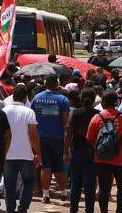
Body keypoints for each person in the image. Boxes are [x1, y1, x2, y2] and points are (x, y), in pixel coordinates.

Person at [86, 90, 122, 213]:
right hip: (121, 160)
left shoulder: (96, 118)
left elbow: (89, 138)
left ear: (103, 103)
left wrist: (98, 149)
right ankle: (119, 211)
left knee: (104, 188)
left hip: (101, 160)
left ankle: (104, 211)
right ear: (116, 102)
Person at [31, 74, 70, 204]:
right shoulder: (63, 100)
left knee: (45, 166)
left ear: (46, 84)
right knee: (59, 167)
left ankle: (46, 195)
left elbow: (33, 118)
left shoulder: (36, 98)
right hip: (58, 138)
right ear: (56, 84)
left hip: (41, 137)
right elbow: (65, 122)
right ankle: (63, 192)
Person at [3, 84, 41, 213]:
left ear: (13, 96)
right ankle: (23, 208)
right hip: (26, 155)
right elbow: (34, 136)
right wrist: (39, 154)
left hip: (8, 155)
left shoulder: (4, 111)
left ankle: (10, 209)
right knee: (29, 181)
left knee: (9, 185)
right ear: (26, 98)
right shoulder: (29, 112)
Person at [64, 88, 98, 213]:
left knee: (76, 183)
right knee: (90, 183)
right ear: (94, 100)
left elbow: (69, 133)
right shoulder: (97, 114)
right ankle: (89, 209)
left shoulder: (76, 113)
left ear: (81, 98)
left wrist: (65, 152)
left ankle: (74, 209)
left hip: (76, 151)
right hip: (92, 152)